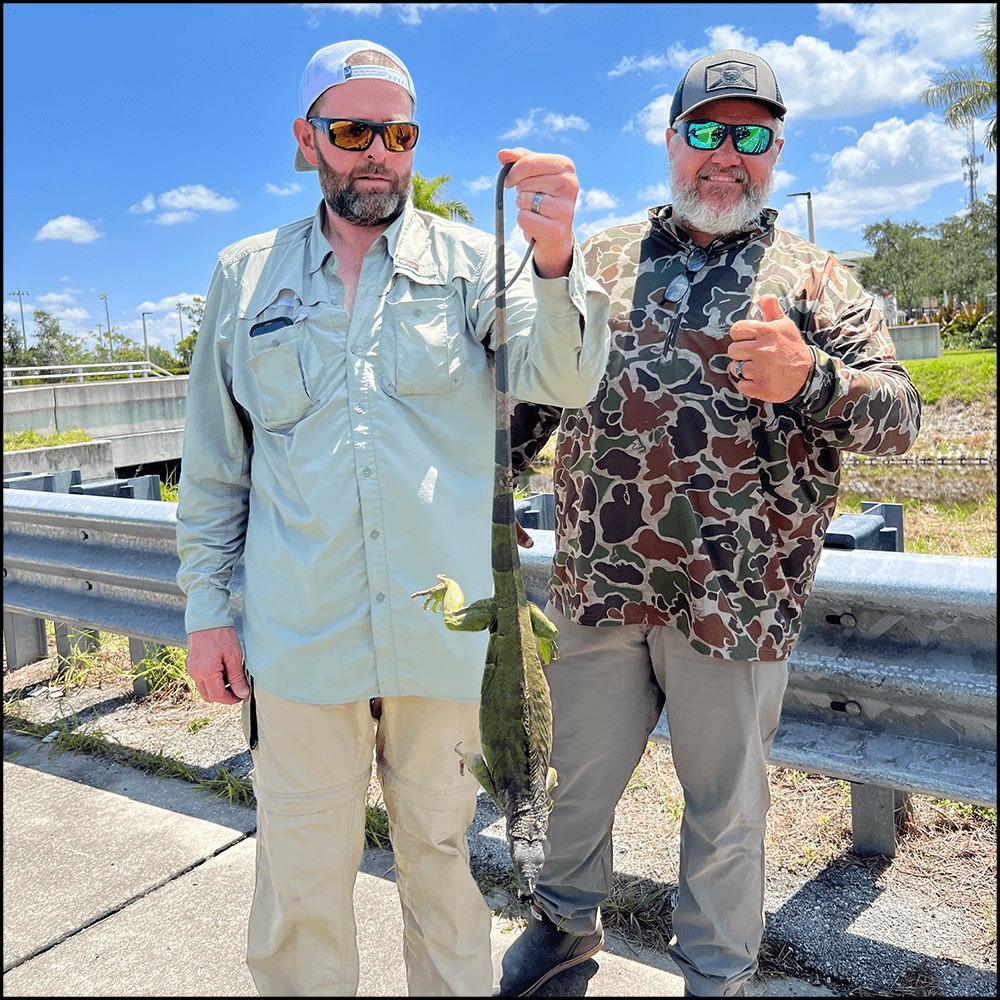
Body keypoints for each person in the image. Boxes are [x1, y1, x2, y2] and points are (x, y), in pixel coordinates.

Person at [174, 39, 610, 998]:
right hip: (300, 639)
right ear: (308, 138)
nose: (379, 152)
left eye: (399, 133)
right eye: (353, 130)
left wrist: (554, 255)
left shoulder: (477, 265)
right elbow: (215, 470)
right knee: (299, 886)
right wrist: (209, 609)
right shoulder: (243, 278)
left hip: (441, 633)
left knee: (445, 871)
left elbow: (566, 377)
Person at [498, 48, 922, 998]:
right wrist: (483, 480)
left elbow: (902, 413)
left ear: (774, 150)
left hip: (739, 600)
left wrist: (811, 378)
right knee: (579, 785)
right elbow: (530, 398)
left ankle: (717, 974)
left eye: (752, 136)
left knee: (726, 811)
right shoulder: (595, 257)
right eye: (705, 132)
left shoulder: (816, 279)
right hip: (600, 589)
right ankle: (565, 927)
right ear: (669, 141)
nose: (726, 155)